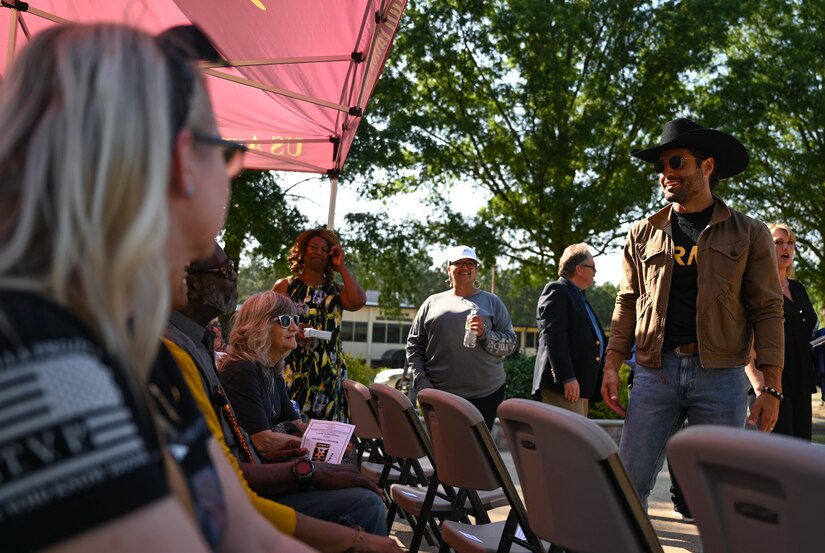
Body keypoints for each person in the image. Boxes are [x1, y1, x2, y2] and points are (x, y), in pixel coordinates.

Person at [0, 23, 310, 553]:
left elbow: (249, 536)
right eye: (226, 150)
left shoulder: (139, 354)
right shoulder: (37, 356)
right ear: (181, 162)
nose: (230, 173)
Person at [600, 118, 785, 512]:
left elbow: (768, 309)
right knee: (625, 489)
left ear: (707, 167)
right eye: (661, 166)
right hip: (654, 374)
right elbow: (627, 301)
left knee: (718, 499)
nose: (667, 172)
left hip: (720, 379)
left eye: (677, 162)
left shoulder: (749, 233)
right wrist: (612, 363)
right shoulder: (641, 233)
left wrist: (770, 385)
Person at [169, 243, 397, 550]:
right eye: (226, 270)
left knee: (350, 472)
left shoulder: (229, 353)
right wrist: (310, 468)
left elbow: (289, 425)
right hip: (242, 490)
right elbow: (250, 450)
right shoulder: (231, 366)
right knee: (364, 503)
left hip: (250, 473)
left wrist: (323, 446)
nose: (298, 329)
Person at [407, 245, 517, 429]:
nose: (465, 267)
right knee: (445, 451)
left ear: (476, 270)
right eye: (459, 262)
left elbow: (511, 344)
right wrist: (423, 382)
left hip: (487, 394)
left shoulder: (493, 302)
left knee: (478, 453)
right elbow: (414, 346)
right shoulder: (432, 303)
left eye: (470, 263)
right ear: (448, 268)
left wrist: (485, 334)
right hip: (440, 395)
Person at [273, 228, 367, 421]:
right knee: (291, 430)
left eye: (325, 249)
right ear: (302, 251)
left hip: (329, 374)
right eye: (313, 247)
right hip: (293, 369)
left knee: (327, 436)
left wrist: (341, 267)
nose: (318, 252)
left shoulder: (337, 290)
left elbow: (358, 302)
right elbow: (269, 323)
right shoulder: (286, 286)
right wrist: (294, 330)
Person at [746, 223, 818, 440]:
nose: (786, 248)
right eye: (778, 243)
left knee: (800, 457)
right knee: (774, 459)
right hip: (770, 385)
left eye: (790, 243)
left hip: (802, 383)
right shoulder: (755, 287)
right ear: (765, 246)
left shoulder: (798, 289)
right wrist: (760, 386)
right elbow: (746, 339)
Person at [218, 291, 308, 461]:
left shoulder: (270, 368)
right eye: (285, 320)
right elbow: (262, 440)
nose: (295, 328)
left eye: (295, 320)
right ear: (260, 326)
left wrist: (333, 435)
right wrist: (316, 445)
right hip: (246, 470)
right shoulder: (242, 369)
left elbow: (295, 423)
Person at [531, 243, 607, 416]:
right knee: (566, 442)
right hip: (564, 387)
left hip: (578, 387)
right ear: (579, 269)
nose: (596, 271)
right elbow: (554, 337)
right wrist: (567, 377)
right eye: (592, 267)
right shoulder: (557, 290)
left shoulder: (579, 296)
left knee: (575, 441)